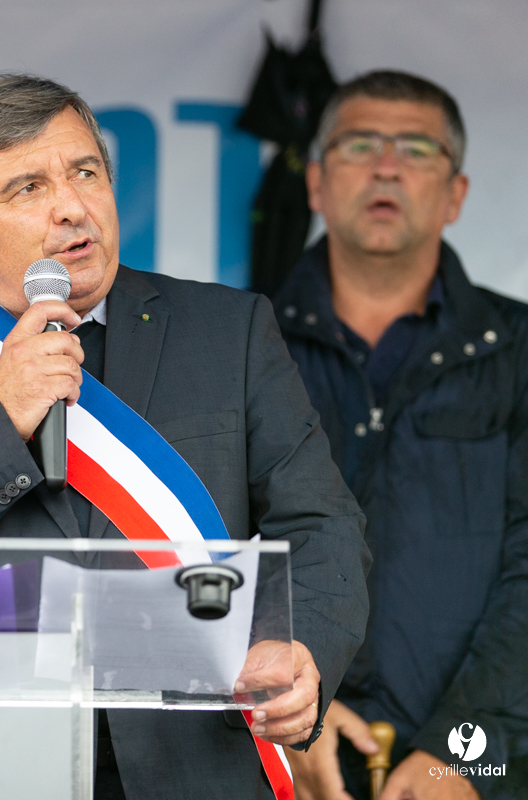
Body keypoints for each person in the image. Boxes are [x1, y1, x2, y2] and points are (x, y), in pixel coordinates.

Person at [0, 73, 370, 799]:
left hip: (196, 764)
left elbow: (321, 524)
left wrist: (301, 646)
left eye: (85, 173)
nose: (70, 206)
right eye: (27, 188)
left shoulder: (229, 331)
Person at [276, 70, 528, 800]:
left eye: (417, 149)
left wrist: (466, 751)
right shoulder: (240, 344)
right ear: (317, 183)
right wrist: (286, 713)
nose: (387, 167)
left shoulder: (518, 349)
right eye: (361, 145)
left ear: (456, 194)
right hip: (283, 756)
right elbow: (206, 549)